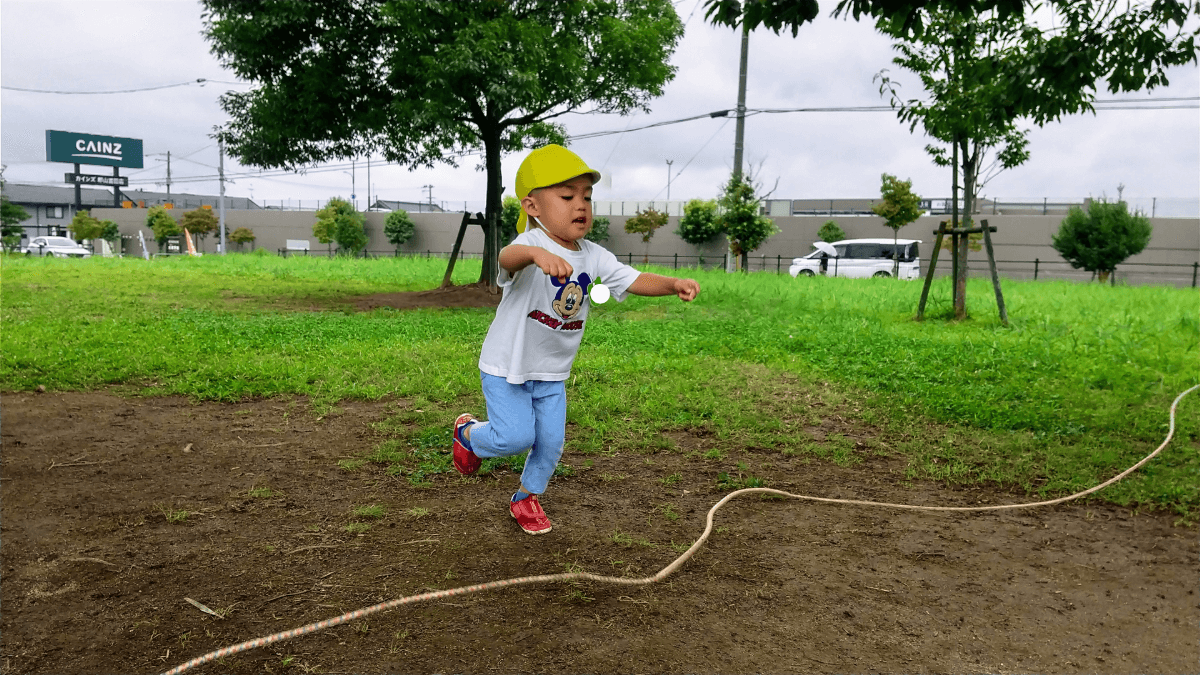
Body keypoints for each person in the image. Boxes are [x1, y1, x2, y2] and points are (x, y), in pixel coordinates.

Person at [451, 144, 700, 535]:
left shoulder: (594, 254)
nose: (580, 205)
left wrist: (672, 283)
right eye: (567, 196)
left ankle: (526, 497)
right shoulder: (528, 244)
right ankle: (468, 434)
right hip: (507, 366)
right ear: (532, 206)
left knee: (550, 444)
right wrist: (534, 255)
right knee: (515, 436)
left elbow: (633, 279)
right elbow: (506, 259)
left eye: (586, 196)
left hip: (552, 373)